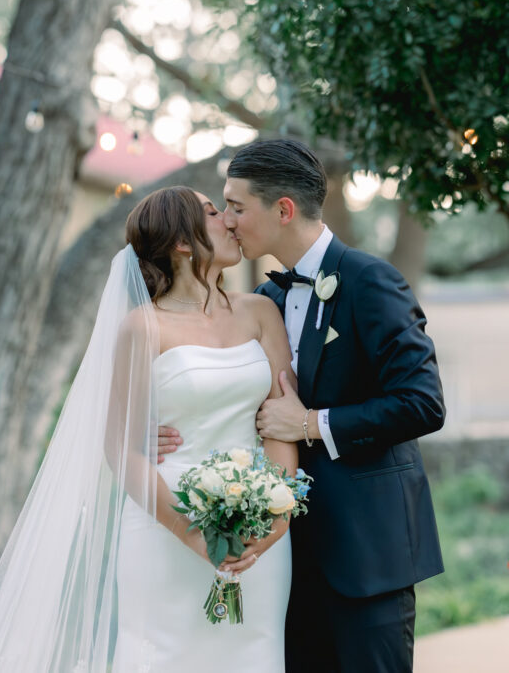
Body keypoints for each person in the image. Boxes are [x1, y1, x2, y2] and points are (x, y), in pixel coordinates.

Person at [0, 186, 298, 672]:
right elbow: (120, 446)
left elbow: (281, 425)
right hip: (167, 527)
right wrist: (192, 533)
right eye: (214, 213)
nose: (230, 221)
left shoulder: (261, 313)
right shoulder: (142, 326)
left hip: (257, 539)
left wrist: (275, 522)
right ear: (182, 241)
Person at [159, 139, 445, 672]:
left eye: (237, 207)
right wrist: (157, 429)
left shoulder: (370, 281)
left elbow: (422, 403)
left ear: (283, 210)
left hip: (366, 555)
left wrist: (313, 424)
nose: (228, 220)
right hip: (282, 559)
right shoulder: (261, 304)